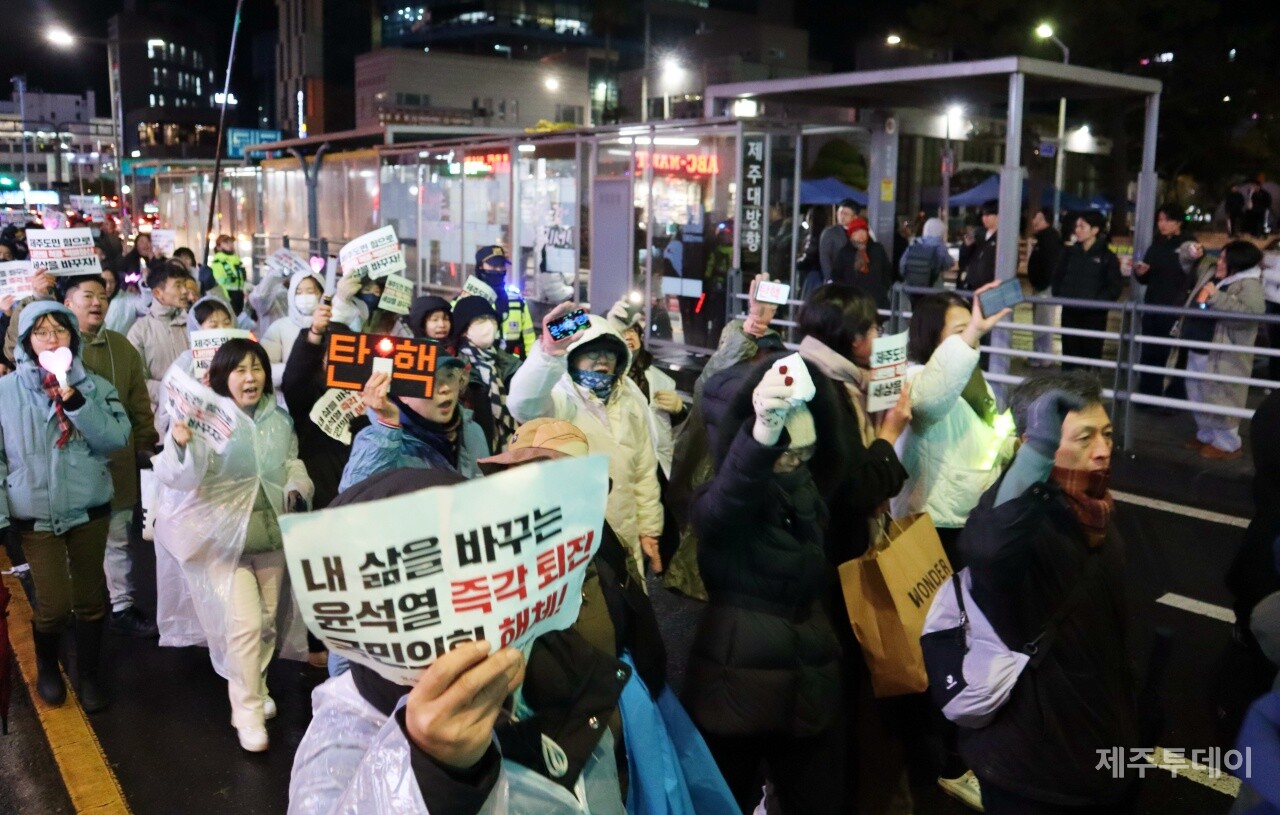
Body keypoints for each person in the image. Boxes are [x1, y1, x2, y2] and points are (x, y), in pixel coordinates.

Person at [960, 372, 1140, 813]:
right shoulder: (1018, 522)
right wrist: (1038, 453)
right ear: (1031, 445)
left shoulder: (1096, 514)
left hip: (1100, 744)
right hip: (1034, 766)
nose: (1102, 450)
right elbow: (988, 549)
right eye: (1083, 438)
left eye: (1107, 434)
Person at [687, 355, 846, 814]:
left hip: (806, 676)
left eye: (805, 453)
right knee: (724, 799)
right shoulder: (722, 496)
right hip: (736, 680)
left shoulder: (808, 490)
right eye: (786, 453)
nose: (795, 462)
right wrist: (761, 437)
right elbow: (725, 504)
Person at [152, 338, 313, 752]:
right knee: (244, 625)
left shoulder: (279, 420)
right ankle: (247, 711)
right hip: (226, 540)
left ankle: (255, 685)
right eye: (239, 370)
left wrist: (298, 483)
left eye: (256, 368)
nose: (250, 377)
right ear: (223, 377)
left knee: (269, 623)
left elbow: (291, 460)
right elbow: (178, 477)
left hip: (272, 534)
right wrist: (182, 441)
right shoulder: (209, 421)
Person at [0, 301, 132, 712]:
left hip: (88, 507)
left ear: (72, 337)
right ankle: (48, 666)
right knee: (54, 604)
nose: (51, 338)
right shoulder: (5, 392)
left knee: (92, 599)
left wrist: (77, 401)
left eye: (59, 330)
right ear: (26, 342)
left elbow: (116, 438)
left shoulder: (94, 385)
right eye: (41, 332)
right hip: (34, 513)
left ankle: (89, 674)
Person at [508, 305, 664, 578]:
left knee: (629, 609)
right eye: (592, 352)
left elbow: (644, 472)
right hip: (570, 537)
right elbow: (524, 405)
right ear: (574, 357)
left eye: (609, 353)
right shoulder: (558, 399)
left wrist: (649, 529)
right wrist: (548, 354)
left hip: (623, 531)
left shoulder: (630, 399)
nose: (602, 360)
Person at [58, 274, 160, 638]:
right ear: (68, 304)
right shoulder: (56, 349)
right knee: (75, 539)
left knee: (118, 537)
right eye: (88, 295)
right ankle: (73, 604)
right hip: (69, 464)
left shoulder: (121, 346)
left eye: (102, 295)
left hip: (116, 459)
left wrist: (145, 441)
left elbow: (137, 402)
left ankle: (122, 604)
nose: (97, 302)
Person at [891, 287, 1016, 561]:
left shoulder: (974, 380)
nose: (971, 337)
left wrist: (1014, 442)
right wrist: (972, 333)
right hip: (931, 523)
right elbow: (929, 401)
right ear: (932, 337)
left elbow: (989, 437)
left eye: (972, 330)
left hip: (972, 516)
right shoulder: (914, 380)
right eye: (961, 330)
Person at [340, 355, 489, 490]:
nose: (445, 387)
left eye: (450, 375)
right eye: (431, 380)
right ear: (403, 394)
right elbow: (353, 497)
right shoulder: (382, 442)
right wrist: (387, 428)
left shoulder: (474, 431)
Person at [1185, 240, 1266, 459]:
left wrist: (1216, 297)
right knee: (1199, 391)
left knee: (1222, 395)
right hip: (1202, 344)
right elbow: (1186, 259)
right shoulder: (1222, 277)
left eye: (1223, 258)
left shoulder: (1249, 284)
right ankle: (1207, 435)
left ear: (1236, 262)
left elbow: (1249, 316)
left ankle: (1228, 443)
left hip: (1223, 352)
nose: (1219, 262)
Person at [607, 298, 688, 476]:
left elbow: (674, 435)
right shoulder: (607, 381)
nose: (629, 335)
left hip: (660, 471)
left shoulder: (661, 380)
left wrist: (680, 412)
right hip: (625, 473)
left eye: (633, 330)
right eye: (622, 332)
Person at [1134, 205, 1200, 398]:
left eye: (1167, 220)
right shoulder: (1156, 244)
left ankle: (1172, 396)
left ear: (1178, 222)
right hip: (1153, 304)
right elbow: (1146, 278)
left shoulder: (1188, 245)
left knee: (1172, 353)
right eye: (1160, 220)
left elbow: (1194, 263)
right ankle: (1147, 393)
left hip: (1176, 307)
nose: (1162, 224)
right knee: (1149, 351)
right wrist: (1142, 273)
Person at [127, 259, 194, 437]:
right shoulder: (140, 331)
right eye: (178, 286)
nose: (185, 291)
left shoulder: (194, 324)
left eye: (185, 285)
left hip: (198, 419)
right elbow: (137, 381)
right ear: (158, 292)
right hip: (158, 425)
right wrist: (175, 393)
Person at [1052, 211, 1123, 371]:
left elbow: (1114, 287)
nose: (1077, 230)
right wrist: (1061, 296)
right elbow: (1057, 277)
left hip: (1094, 317)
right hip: (1070, 313)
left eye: (1082, 226)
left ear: (1095, 230)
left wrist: (1097, 303)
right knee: (1070, 358)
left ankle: (1087, 393)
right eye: (1076, 226)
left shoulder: (1107, 257)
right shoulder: (1069, 253)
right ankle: (1069, 392)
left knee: (1090, 358)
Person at [450, 296, 522, 454]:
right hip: (473, 452)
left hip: (510, 450)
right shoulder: (455, 367)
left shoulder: (509, 365)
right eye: (481, 320)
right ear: (464, 329)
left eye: (492, 319)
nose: (489, 325)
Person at [457, 245, 536, 358]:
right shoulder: (466, 300)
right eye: (493, 266)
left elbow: (529, 338)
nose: (499, 270)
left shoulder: (516, 300)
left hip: (512, 368)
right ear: (480, 267)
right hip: (478, 364)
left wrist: (530, 364)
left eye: (501, 266)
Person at [260, 270, 325, 390]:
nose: (304, 297)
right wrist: (295, 371)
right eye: (298, 293)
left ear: (321, 294)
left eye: (310, 292)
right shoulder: (279, 327)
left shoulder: (332, 326)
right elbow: (264, 368)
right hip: (287, 399)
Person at [1026, 206, 1064, 366]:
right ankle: (1040, 355)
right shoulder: (1045, 238)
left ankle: (1042, 357)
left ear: (1047, 221)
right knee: (1041, 321)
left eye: (1039, 218)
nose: (1035, 221)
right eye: (1035, 218)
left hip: (1044, 287)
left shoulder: (1049, 240)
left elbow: (1050, 266)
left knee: (1043, 321)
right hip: (1041, 285)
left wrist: (1043, 283)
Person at [835, 216, 895, 310]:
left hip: (876, 300)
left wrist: (882, 288)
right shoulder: (844, 252)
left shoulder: (877, 249)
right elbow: (836, 276)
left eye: (863, 231)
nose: (861, 234)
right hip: (852, 302)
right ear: (851, 235)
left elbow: (887, 271)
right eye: (856, 232)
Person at [898, 216, 952, 299]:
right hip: (932, 286)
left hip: (911, 285)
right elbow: (947, 264)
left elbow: (902, 264)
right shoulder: (940, 247)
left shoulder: (915, 243)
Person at [818, 198, 857, 287]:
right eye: (840, 213)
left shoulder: (858, 232)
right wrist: (829, 278)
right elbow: (825, 256)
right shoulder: (830, 232)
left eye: (846, 214)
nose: (842, 216)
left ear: (854, 217)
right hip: (836, 278)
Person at [960, 203, 998, 291]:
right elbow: (963, 260)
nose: (984, 218)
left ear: (998, 216)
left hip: (989, 287)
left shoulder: (1003, 237)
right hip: (971, 285)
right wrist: (966, 246)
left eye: (988, 215)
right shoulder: (978, 233)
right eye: (983, 215)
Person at [206, 234, 248, 315]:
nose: (230, 244)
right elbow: (220, 282)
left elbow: (242, 279)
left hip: (239, 295)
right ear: (218, 247)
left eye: (231, 242)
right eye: (226, 242)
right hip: (228, 296)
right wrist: (225, 298)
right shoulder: (218, 262)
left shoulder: (237, 260)